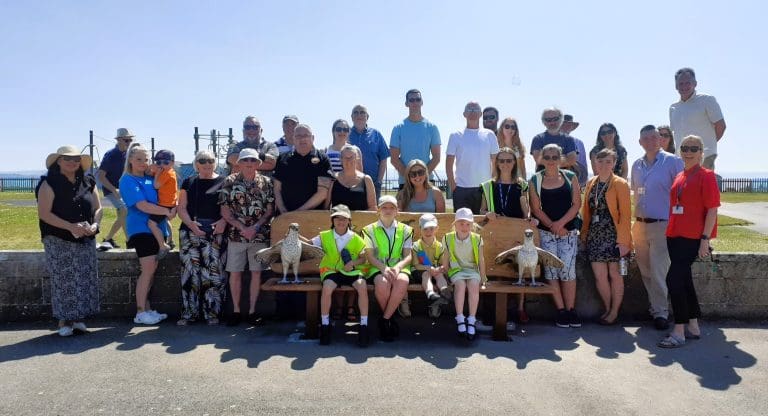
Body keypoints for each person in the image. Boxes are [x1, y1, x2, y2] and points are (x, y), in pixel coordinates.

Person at [658, 135, 719, 348]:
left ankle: (679, 330)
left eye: (694, 148)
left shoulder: (707, 176)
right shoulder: (680, 176)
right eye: (685, 147)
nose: (689, 151)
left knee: (673, 280)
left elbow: (712, 209)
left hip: (692, 237)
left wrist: (705, 239)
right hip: (674, 235)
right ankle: (693, 325)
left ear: (702, 152)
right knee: (684, 280)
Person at [36, 145, 101, 336]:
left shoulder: (88, 181)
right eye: (67, 159)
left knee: (84, 278)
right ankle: (64, 321)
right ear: (58, 162)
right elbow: (44, 214)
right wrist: (70, 227)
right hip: (58, 239)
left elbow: (98, 208)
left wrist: (95, 225)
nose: (72, 163)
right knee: (64, 280)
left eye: (76, 159)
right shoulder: (48, 183)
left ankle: (79, 319)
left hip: (86, 238)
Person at [631, 125, 684, 330]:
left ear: (661, 139)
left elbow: (681, 194)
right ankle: (655, 308)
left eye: (655, 137)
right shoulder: (637, 165)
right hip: (640, 225)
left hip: (663, 225)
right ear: (640, 142)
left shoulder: (672, 161)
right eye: (647, 138)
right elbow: (637, 192)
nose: (652, 141)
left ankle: (661, 313)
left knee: (659, 270)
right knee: (645, 271)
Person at [219, 148, 275, 326]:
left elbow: (269, 210)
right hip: (237, 235)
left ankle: (252, 311)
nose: (249, 164)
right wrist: (243, 228)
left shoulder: (266, 182)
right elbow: (225, 210)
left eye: (253, 161)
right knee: (235, 273)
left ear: (258, 164)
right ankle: (236, 311)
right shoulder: (229, 181)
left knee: (256, 274)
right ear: (239, 163)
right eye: (245, 161)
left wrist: (256, 227)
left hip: (259, 236)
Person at [480, 147, 536, 324]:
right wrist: (487, 213)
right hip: (495, 233)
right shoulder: (488, 185)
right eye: (501, 160)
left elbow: (526, 211)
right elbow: (481, 210)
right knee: (495, 270)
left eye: (509, 161)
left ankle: (520, 308)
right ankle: (493, 311)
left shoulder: (522, 185)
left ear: (514, 163)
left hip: (515, 232)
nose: (505, 164)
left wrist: (529, 217)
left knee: (520, 270)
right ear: (496, 163)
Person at [119, 143, 174, 325]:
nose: (143, 163)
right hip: (140, 229)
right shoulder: (127, 180)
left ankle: (148, 308)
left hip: (158, 228)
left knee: (152, 270)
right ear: (131, 161)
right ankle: (141, 311)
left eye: (146, 159)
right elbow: (142, 205)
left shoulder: (151, 178)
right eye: (139, 159)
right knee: (148, 269)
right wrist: (166, 211)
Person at [529, 144, 582, 328]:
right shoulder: (535, 180)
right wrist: (552, 225)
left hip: (567, 232)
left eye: (554, 157)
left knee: (568, 270)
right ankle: (561, 311)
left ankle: (571, 310)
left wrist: (560, 224)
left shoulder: (570, 177)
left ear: (560, 159)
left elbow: (576, 204)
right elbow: (535, 208)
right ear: (542, 159)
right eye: (547, 157)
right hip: (546, 232)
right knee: (551, 271)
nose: (551, 161)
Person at [580, 149, 632, 325]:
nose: (603, 165)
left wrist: (624, 242)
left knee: (615, 275)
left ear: (614, 163)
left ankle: (614, 312)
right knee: (599, 276)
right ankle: (608, 308)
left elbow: (625, 215)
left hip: (614, 236)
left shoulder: (620, 184)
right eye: (600, 161)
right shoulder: (591, 183)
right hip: (595, 236)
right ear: (595, 163)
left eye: (608, 161)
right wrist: (584, 235)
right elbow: (586, 212)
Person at [176, 150, 228, 326]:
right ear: (196, 163)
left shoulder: (224, 181)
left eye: (210, 160)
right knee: (190, 274)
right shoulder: (189, 182)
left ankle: (212, 313)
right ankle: (189, 314)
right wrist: (191, 224)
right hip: (190, 231)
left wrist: (223, 222)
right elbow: (181, 208)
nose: (207, 164)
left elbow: (228, 209)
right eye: (202, 160)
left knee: (213, 274)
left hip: (215, 232)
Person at [311, 205, 371, 347]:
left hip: (351, 271)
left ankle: (364, 325)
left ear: (349, 221)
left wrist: (353, 263)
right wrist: (294, 235)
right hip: (331, 270)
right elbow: (309, 244)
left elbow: (364, 258)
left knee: (362, 286)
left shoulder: (355, 238)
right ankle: (325, 324)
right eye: (337, 218)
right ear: (332, 220)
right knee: (327, 288)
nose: (340, 221)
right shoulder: (324, 235)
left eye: (344, 218)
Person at [363, 195, 413, 342]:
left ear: (397, 211)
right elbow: (370, 257)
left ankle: (385, 320)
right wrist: (384, 269)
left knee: (402, 280)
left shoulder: (406, 230)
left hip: (399, 267)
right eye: (384, 207)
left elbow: (408, 256)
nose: (388, 210)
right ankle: (391, 319)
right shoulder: (369, 230)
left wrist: (397, 268)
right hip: (376, 267)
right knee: (382, 283)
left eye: (392, 207)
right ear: (378, 210)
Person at [445, 101, 500, 213]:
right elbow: (449, 163)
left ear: (480, 114)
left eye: (475, 109)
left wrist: (492, 183)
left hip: (485, 188)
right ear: (464, 114)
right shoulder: (455, 135)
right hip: (461, 189)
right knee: (463, 224)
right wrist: (453, 186)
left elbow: (496, 161)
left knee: (484, 225)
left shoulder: (489, 135)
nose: (472, 112)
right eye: (469, 109)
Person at [441, 208, 487, 341]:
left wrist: (483, 278)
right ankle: (460, 318)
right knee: (460, 286)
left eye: (468, 224)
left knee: (473, 285)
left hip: (472, 270)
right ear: (455, 224)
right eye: (461, 223)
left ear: (472, 225)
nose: (464, 227)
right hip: (456, 271)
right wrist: (444, 274)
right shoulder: (448, 238)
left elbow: (481, 259)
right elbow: (446, 258)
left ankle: (472, 319)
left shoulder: (477, 239)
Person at [669, 67, 726, 171]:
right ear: (676, 86)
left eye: (688, 83)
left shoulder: (707, 100)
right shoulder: (673, 108)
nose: (684, 86)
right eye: (681, 83)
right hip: (681, 159)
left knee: (702, 187)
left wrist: (705, 146)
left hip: (704, 156)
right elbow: (675, 134)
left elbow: (721, 126)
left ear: (695, 83)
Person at [273, 124, 333, 214]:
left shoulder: (322, 159)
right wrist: (283, 211)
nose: (302, 139)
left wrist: (298, 213)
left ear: (313, 138)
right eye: (298, 136)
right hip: (284, 216)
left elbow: (322, 193)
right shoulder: (282, 158)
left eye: (306, 135)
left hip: (312, 216)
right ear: (293, 139)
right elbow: (277, 189)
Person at [390, 89, 441, 188]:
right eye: (411, 100)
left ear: (422, 102)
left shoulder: (432, 128)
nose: (415, 102)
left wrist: (421, 177)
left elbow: (436, 158)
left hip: (427, 181)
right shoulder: (398, 128)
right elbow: (394, 159)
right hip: (405, 183)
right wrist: (410, 177)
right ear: (406, 103)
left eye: (418, 99)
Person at [96, 128, 132, 250]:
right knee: (124, 211)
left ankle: (110, 239)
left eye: (130, 140)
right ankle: (127, 241)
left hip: (122, 189)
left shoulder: (127, 154)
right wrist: (113, 190)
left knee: (123, 214)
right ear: (119, 140)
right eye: (127, 140)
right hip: (111, 189)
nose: (129, 142)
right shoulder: (111, 155)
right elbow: (101, 176)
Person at [411, 213, 451, 318]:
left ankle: (443, 291)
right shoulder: (416, 246)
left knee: (439, 275)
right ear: (420, 229)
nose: (428, 232)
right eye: (425, 229)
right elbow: (416, 265)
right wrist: (429, 268)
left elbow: (443, 264)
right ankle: (430, 294)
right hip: (420, 271)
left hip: (435, 271)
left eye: (431, 228)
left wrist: (439, 269)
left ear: (437, 229)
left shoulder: (440, 246)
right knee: (426, 274)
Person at [348, 105, 390, 198]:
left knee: (373, 212)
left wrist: (379, 181)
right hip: (350, 184)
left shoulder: (376, 134)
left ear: (367, 117)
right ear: (351, 117)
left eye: (362, 112)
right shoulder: (345, 134)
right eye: (356, 112)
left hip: (373, 184)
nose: (359, 115)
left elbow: (383, 159)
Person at [325, 144, 376, 211]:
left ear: (357, 158)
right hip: (338, 220)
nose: (348, 160)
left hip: (361, 221)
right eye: (345, 157)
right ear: (341, 159)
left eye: (351, 157)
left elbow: (373, 208)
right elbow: (326, 207)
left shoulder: (366, 180)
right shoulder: (333, 179)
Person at [147, 149, 177, 257]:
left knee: (152, 223)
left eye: (165, 162)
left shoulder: (167, 173)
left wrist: (157, 173)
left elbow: (156, 185)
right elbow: (149, 172)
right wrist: (153, 169)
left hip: (165, 204)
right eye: (158, 162)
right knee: (164, 221)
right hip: (169, 203)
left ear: (172, 163)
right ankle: (171, 241)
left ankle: (162, 245)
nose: (162, 165)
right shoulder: (169, 171)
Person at [530, 108, 578, 173]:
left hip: (565, 179)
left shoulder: (569, 139)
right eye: (548, 120)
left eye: (555, 119)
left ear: (561, 120)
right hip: (542, 179)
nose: (552, 122)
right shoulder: (537, 139)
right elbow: (539, 160)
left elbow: (571, 160)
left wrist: (547, 159)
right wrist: (562, 158)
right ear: (543, 122)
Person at [560, 114, 589, 186]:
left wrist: (584, 183)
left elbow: (583, 164)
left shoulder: (579, 143)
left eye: (569, 124)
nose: (566, 126)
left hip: (574, 181)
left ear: (572, 127)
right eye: (563, 124)